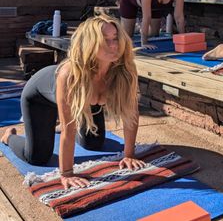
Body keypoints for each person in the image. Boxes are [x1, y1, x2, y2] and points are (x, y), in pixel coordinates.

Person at [1, 15, 145, 189]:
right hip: (40, 96)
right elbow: (69, 130)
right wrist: (67, 173)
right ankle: (9, 136)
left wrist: (129, 154)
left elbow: (131, 115)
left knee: (94, 143)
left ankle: (56, 124)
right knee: (37, 157)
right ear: (89, 44)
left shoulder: (126, 70)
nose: (113, 45)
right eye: (104, 40)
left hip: (84, 99)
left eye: (115, 38)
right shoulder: (70, 75)